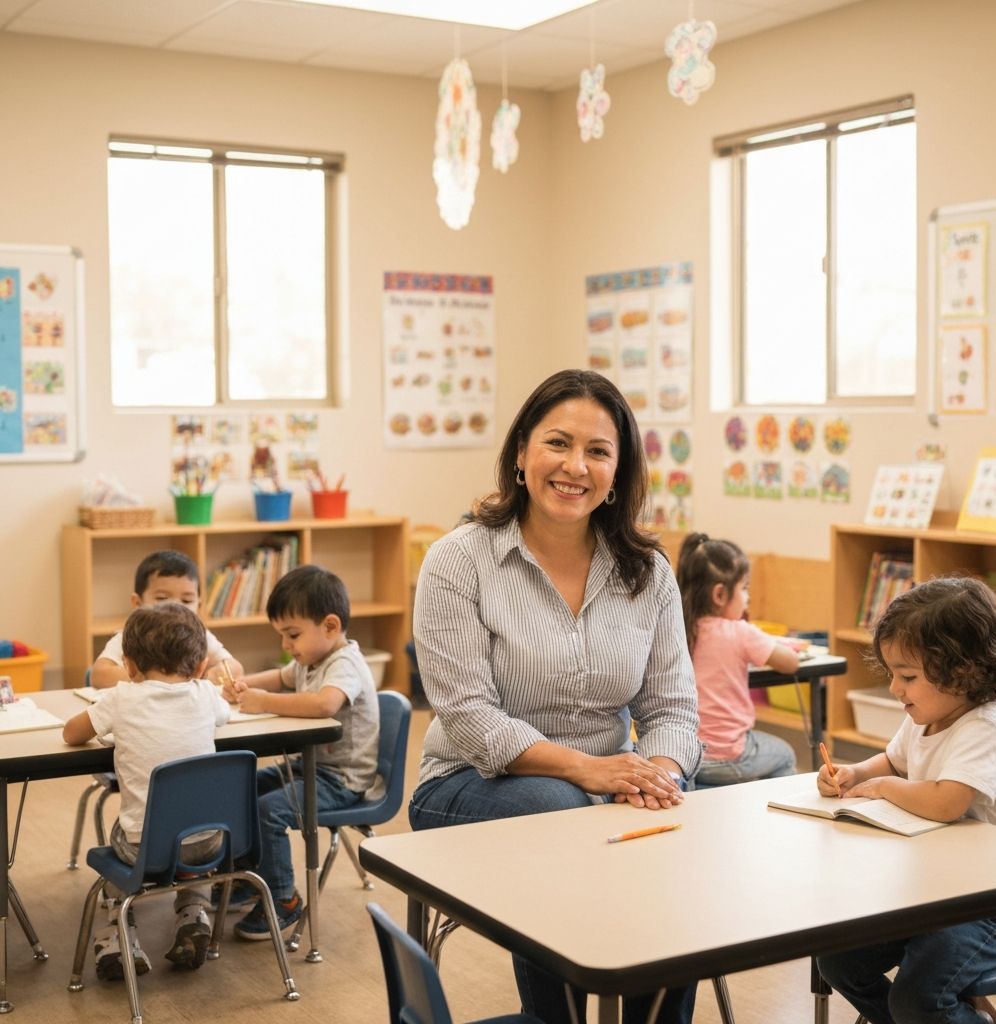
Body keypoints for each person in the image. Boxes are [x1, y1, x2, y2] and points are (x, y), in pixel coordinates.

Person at [408, 368, 703, 1024]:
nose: (576, 467)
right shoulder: (458, 561)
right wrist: (588, 770)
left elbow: (673, 708)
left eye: (598, 451)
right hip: (469, 783)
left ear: (618, 472)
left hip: (605, 787)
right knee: (557, 810)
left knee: (671, 823)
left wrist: (656, 775)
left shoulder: (649, 572)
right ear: (521, 453)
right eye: (558, 443)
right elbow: (470, 719)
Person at [816, 576, 996, 1024]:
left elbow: (947, 801)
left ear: (963, 671)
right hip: (932, 892)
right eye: (893, 674)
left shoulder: (983, 726)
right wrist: (855, 773)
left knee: (916, 998)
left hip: (992, 907)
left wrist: (880, 787)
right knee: (838, 961)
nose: (895, 688)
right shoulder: (925, 716)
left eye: (908, 677)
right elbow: (894, 763)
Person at [63, 602, 232, 978]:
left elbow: (72, 733)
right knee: (191, 834)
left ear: (129, 666)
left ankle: (119, 934)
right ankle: (193, 912)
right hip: (210, 843)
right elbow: (225, 715)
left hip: (145, 847)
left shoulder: (121, 697)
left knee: (119, 836)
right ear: (201, 666)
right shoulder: (206, 694)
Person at [221, 564, 380, 941]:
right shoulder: (312, 659)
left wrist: (263, 702)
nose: (286, 645)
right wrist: (243, 686)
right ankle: (251, 880)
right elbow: (281, 677)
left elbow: (325, 704)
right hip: (312, 767)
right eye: (282, 635)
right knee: (239, 788)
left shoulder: (344, 663)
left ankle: (282, 899)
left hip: (342, 780)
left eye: (292, 635)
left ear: (330, 626)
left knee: (268, 811)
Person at [676, 532, 800, 787]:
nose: (747, 597)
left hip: (685, 756)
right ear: (720, 595)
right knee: (785, 754)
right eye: (744, 588)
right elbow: (790, 663)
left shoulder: (679, 630)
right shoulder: (739, 632)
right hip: (728, 754)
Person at [90, 550, 243, 689]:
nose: (176, 608)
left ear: (199, 605)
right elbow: (99, 674)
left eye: (187, 600)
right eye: (162, 598)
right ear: (137, 603)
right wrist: (152, 678)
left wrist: (210, 676)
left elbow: (235, 668)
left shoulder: (200, 636)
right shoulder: (132, 635)